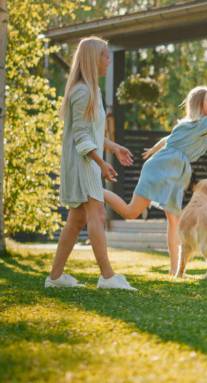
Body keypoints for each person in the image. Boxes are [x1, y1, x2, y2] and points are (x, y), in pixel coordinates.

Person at [103, 86, 207, 275]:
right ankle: (99, 192)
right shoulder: (204, 123)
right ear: (198, 104)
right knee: (131, 212)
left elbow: (167, 139)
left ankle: (175, 270)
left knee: (174, 221)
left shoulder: (190, 124)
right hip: (164, 168)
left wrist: (153, 149)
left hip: (172, 170)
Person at [46, 36, 137, 290]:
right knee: (96, 213)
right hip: (82, 163)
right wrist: (101, 162)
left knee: (76, 220)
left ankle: (55, 278)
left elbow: (94, 133)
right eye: (105, 55)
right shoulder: (82, 92)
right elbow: (81, 137)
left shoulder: (93, 90)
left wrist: (114, 147)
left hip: (89, 161)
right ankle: (107, 276)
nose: (109, 60)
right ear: (92, 59)